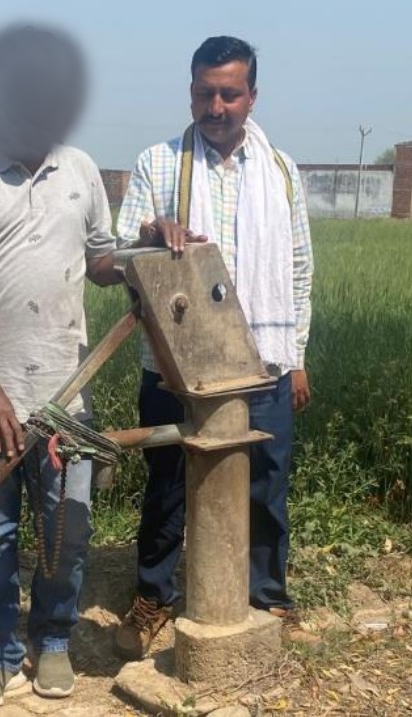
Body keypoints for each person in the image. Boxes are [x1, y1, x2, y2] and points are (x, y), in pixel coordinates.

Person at [0, 24, 121, 710]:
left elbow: (100, 260)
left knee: (67, 529)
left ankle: (56, 640)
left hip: (67, 391)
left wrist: (137, 251)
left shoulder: (81, 170)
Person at [115, 35, 315, 660]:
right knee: (169, 485)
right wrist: (151, 233)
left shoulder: (280, 170)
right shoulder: (159, 164)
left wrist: (299, 355)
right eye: (206, 92)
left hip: (264, 361)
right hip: (177, 369)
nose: (217, 105)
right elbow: (118, 259)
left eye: (230, 93)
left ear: (252, 96)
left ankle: (269, 599)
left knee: (265, 486)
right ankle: (154, 599)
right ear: (191, 92)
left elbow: (300, 267)